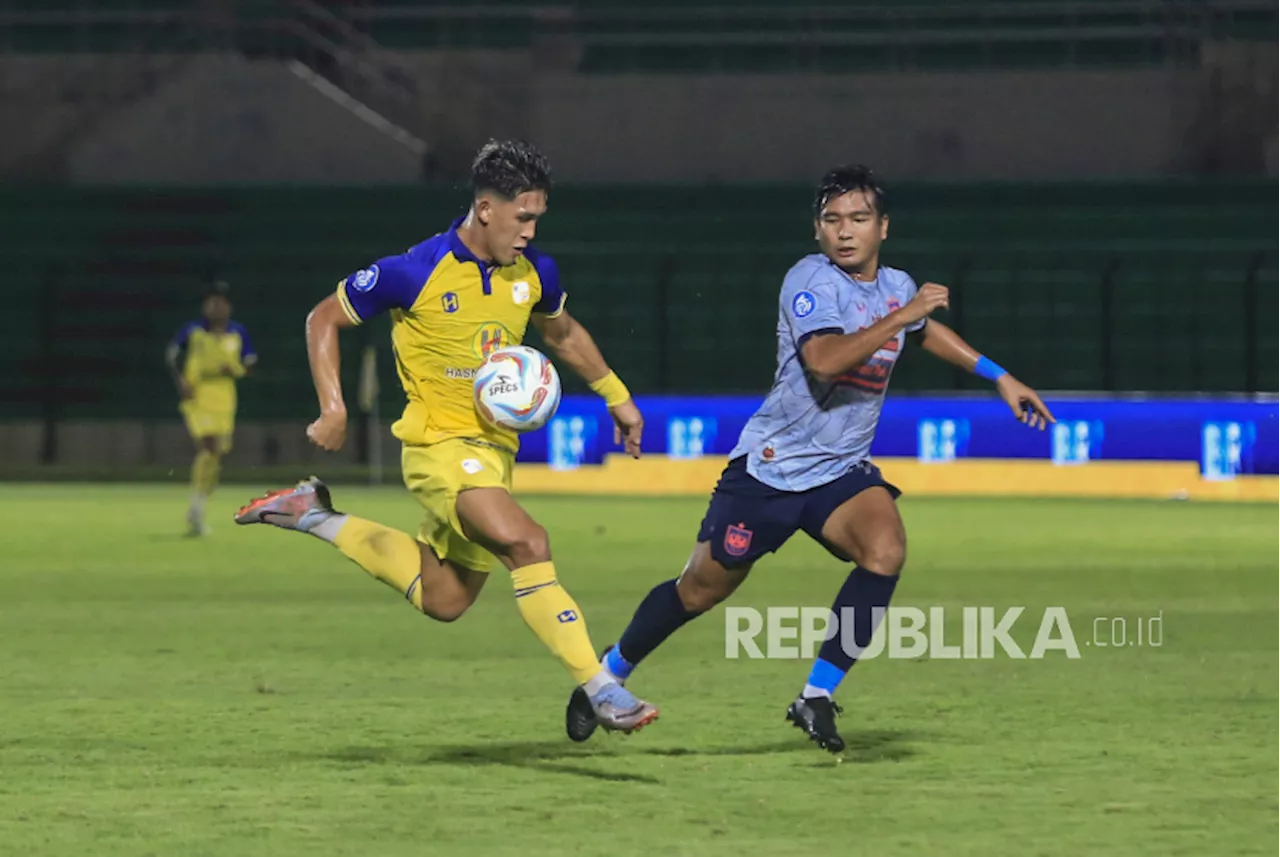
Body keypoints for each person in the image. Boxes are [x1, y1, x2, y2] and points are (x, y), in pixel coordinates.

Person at [565, 164, 1055, 751]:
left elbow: (924, 331)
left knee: (886, 550)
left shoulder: (896, 286)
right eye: (832, 220)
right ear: (817, 231)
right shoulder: (811, 282)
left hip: (838, 474)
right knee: (699, 590)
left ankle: (816, 695)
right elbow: (825, 360)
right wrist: (900, 316)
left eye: (859, 219)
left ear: (883, 228)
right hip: (770, 471)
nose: (845, 231)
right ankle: (607, 674)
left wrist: (997, 375)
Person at [233, 139, 659, 733]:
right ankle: (601, 687)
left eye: (538, 218)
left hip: (492, 455)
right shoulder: (416, 270)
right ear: (486, 209)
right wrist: (333, 408)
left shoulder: (535, 273)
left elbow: (560, 335)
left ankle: (313, 515)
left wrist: (618, 397)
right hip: (439, 449)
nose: (531, 232)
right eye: (523, 217)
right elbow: (323, 316)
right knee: (529, 543)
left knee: (446, 598)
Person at [166, 281, 256, 536]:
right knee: (209, 445)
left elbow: (250, 363)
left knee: (215, 455)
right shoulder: (193, 331)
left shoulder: (237, 332)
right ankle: (196, 506)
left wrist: (237, 370)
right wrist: (181, 380)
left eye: (221, 302)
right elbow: (171, 355)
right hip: (198, 395)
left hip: (225, 397)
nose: (216, 307)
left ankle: (199, 506)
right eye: (212, 302)